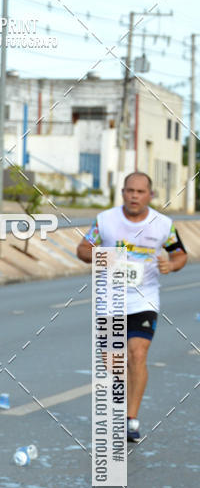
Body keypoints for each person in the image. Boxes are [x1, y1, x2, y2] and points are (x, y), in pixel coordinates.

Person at [76, 171, 186, 442]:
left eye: (140, 191)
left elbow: (180, 254)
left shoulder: (163, 225)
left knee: (138, 354)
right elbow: (82, 249)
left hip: (144, 299)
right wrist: (103, 255)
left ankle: (130, 420)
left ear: (150, 195)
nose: (134, 196)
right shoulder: (106, 221)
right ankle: (121, 396)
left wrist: (170, 265)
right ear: (123, 193)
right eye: (129, 190)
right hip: (109, 299)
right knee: (114, 363)